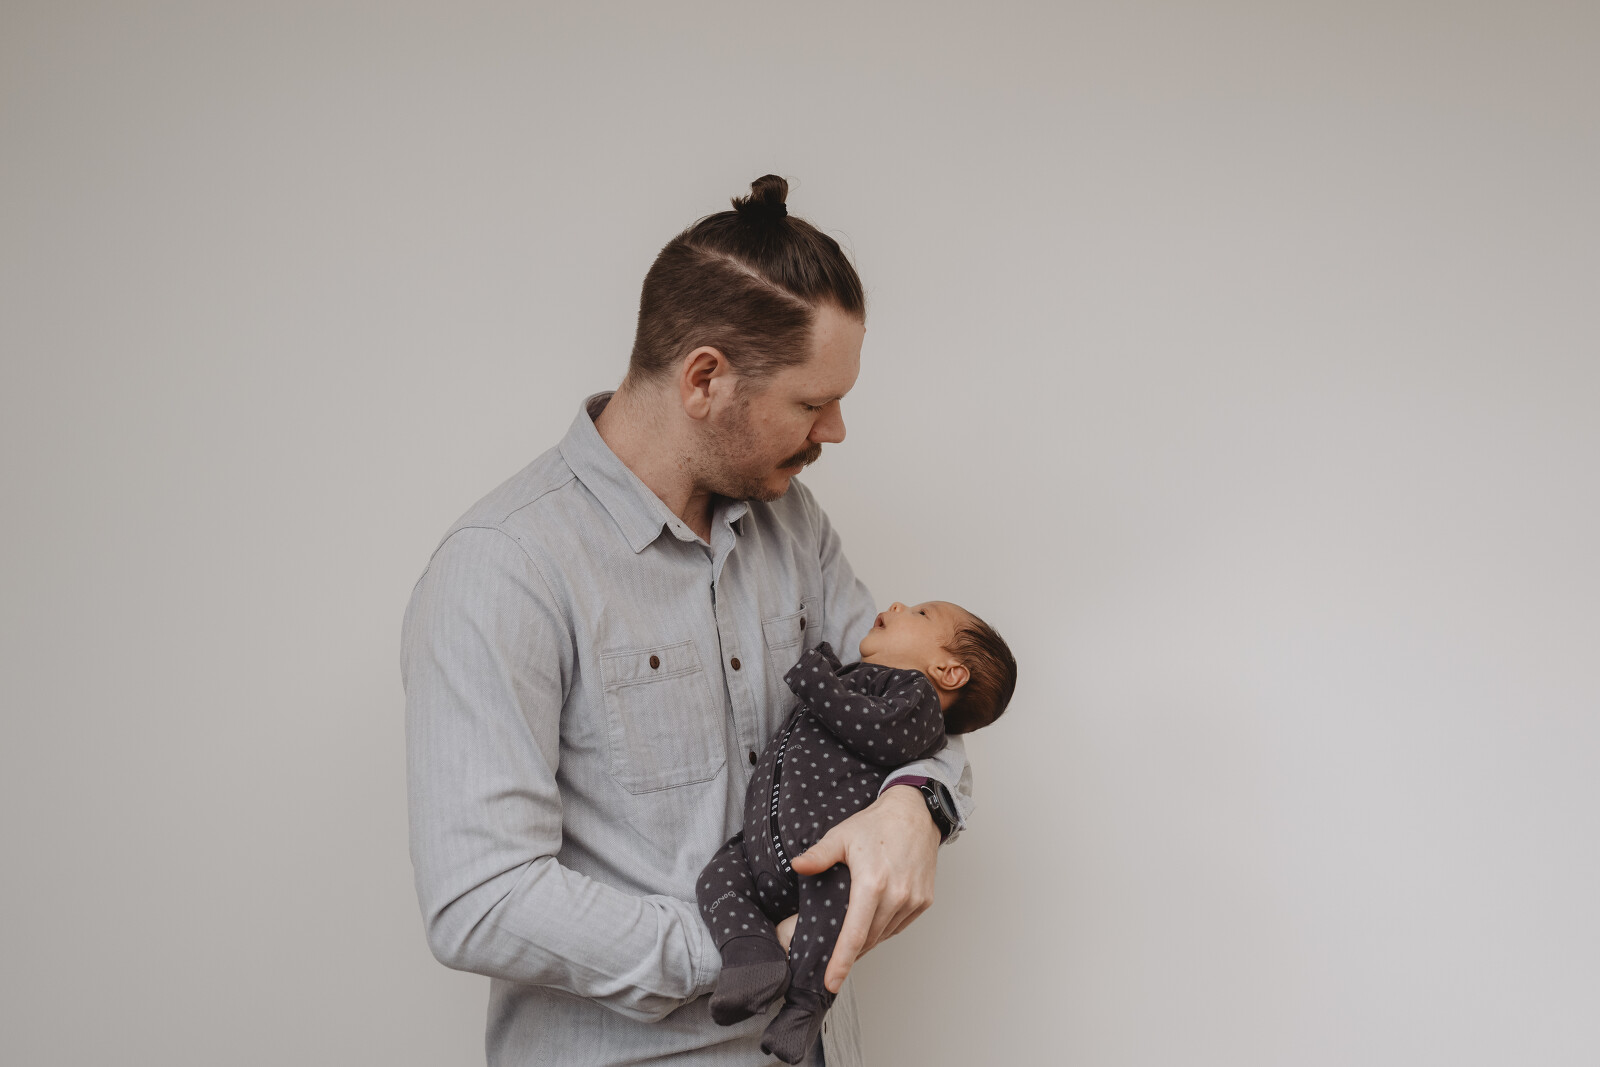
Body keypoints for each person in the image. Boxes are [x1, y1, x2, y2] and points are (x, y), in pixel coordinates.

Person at [401, 175, 974, 1066]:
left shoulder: (793, 522)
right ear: (705, 378)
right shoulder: (504, 567)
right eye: (812, 402)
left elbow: (916, 701)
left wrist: (916, 806)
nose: (836, 430)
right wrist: (746, 948)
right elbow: (480, 898)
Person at [700, 601, 1016, 1063]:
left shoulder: (916, 700)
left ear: (948, 672)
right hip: (759, 841)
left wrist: (818, 681)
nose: (897, 605)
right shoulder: (858, 679)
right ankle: (752, 958)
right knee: (716, 879)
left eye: (921, 615)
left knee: (833, 915)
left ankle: (805, 1005)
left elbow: (877, 731)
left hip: (826, 844)